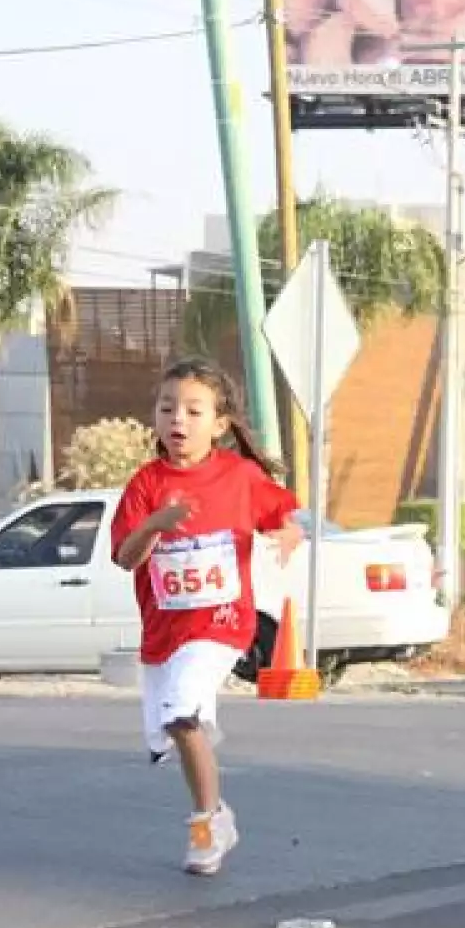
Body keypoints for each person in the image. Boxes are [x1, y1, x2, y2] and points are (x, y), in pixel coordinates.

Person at [110, 357, 303, 876]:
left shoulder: (238, 476)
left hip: (221, 623)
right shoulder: (145, 484)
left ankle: (204, 826)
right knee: (176, 725)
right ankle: (215, 813)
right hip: (165, 633)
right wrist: (157, 523)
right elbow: (127, 557)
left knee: (180, 711)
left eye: (194, 411)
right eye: (167, 407)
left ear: (219, 425)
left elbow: (285, 516)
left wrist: (289, 533)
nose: (178, 419)